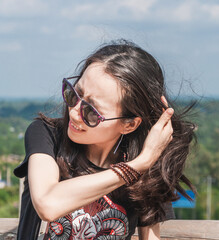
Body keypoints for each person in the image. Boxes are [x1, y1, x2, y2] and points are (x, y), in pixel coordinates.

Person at [14, 40, 196, 240]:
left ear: (129, 124)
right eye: (75, 94)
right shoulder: (47, 135)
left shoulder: (150, 169)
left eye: (91, 112)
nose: (74, 113)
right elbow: (47, 203)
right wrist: (137, 166)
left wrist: (144, 164)